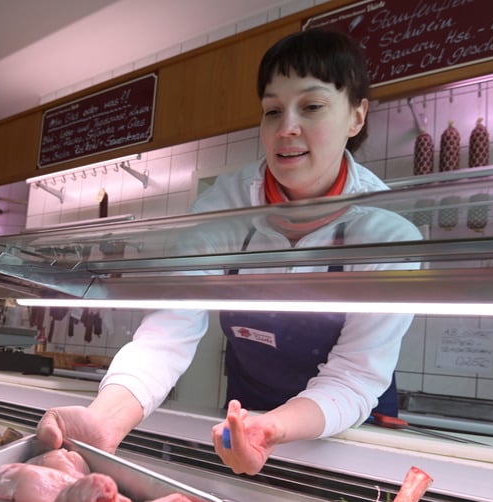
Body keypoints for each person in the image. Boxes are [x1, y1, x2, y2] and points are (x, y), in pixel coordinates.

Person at [37, 27, 422, 474]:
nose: (286, 128)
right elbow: (168, 332)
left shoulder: (385, 230)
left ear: (356, 117)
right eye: (272, 111)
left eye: (312, 106)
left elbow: (355, 376)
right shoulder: (225, 209)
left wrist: (271, 428)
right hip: (242, 427)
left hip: (345, 439)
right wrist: (105, 420)